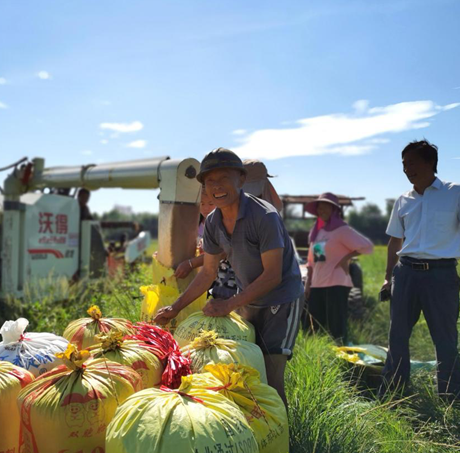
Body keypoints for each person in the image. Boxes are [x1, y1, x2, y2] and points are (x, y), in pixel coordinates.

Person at [155, 148, 304, 407]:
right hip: (248, 300)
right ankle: (253, 432)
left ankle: (283, 442)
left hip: (281, 301)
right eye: (210, 181)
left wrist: (227, 305)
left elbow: (272, 276)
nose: (216, 187)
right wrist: (174, 308)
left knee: (271, 375)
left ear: (241, 179)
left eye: (224, 178)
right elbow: (208, 273)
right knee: (248, 369)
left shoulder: (264, 217)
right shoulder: (213, 222)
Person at [379, 139, 460, 402]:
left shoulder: (457, 192)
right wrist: (387, 277)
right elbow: (395, 240)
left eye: (412, 162)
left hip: (442, 275)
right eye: (403, 164)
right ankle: (394, 395)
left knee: (445, 338)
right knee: (397, 337)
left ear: (430, 163)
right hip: (406, 274)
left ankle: (452, 398)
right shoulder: (403, 200)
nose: (407, 169)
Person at [302, 193, 374, 344]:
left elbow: (367, 247)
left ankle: (342, 356)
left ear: (334, 210)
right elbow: (313, 261)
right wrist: (308, 284)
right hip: (317, 285)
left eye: (325, 207)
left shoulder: (342, 230)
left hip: (336, 283)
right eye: (319, 208)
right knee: (312, 326)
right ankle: (317, 356)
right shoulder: (319, 233)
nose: (321, 210)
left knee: (337, 327)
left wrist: (346, 258)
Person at [173, 187, 239, 299]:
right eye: (202, 204)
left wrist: (191, 263)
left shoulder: (224, 223)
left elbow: (222, 252)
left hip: (224, 276)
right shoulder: (198, 223)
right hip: (205, 274)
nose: (206, 208)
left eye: (210, 203)